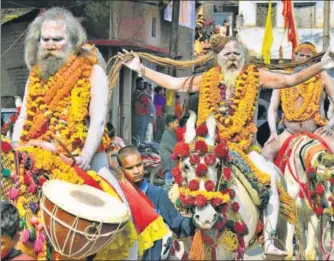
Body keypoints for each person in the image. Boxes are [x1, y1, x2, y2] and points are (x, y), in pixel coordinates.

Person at [117, 35, 334, 256]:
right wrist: (141, 69)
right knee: (175, 190)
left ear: (244, 57)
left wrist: (320, 66)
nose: (232, 58)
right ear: (218, 58)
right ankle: (174, 235)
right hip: (208, 149)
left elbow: (289, 80)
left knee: (268, 181)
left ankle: (269, 239)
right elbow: (175, 83)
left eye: (237, 54)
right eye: (227, 54)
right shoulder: (206, 78)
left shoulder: (256, 76)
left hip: (244, 149)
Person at [10, 7, 166, 260]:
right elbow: (25, 115)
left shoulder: (93, 72)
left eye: (57, 39)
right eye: (45, 39)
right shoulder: (35, 75)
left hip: (83, 155)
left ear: (72, 41)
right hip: (36, 152)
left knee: (120, 207)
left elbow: (98, 120)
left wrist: (84, 154)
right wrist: (15, 147)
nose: (50, 45)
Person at [117, 146, 195, 261]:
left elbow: (178, 224)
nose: (136, 171)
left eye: (139, 165)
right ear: (120, 170)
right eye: (130, 168)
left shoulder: (156, 194)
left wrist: (197, 221)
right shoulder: (117, 195)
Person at [263, 42, 334, 161]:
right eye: (301, 55)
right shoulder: (283, 78)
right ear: (294, 56)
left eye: (308, 57)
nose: (305, 59)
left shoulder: (322, 76)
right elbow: (273, 109)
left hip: (317, 131)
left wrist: (330, 125)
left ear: (313, 60)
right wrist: (273, 132)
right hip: (289, 132)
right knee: (267, 152)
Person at [159, 115, 179, 192]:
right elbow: (176, 149)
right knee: (169, 187)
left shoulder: (171, 133)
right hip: (170, 164)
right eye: (176, 123)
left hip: (171, 163)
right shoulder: (167, 134)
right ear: (170, 124)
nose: (178, 125)